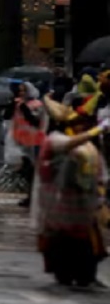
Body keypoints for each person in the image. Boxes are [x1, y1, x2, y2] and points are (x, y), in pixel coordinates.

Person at [32, 93, 110, 287]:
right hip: (59, 205)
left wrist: (100, 195)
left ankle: (85, 274)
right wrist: (97, 130)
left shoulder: (90, 147)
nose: (80, 128)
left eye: (83, 124)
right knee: (62, 242)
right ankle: (64, 272)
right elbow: (67, 146)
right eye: (77, 124)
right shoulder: (54, 141)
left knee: (85, 244)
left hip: (84, 206)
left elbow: (100, 174)